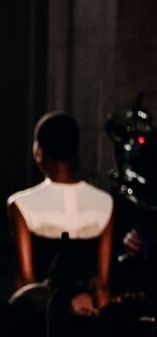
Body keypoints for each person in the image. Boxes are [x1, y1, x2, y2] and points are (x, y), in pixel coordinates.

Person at [10, 110, 113, 302]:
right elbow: (103, 284)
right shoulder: (104, 203)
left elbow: (26, 280)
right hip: (86, 313)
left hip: (43, 312)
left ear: (39, 151)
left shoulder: (22, 204)